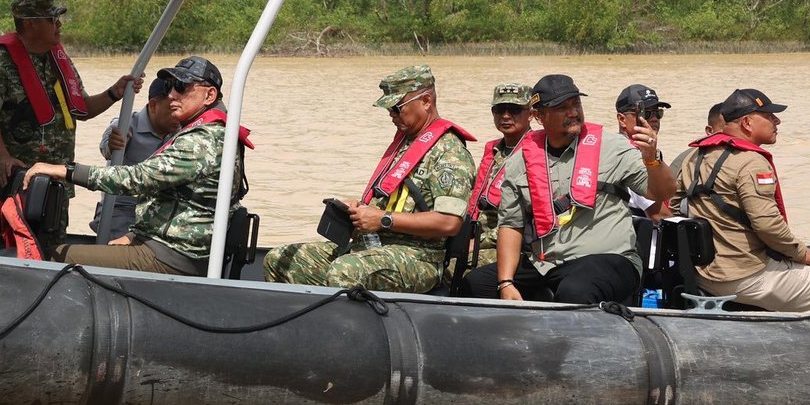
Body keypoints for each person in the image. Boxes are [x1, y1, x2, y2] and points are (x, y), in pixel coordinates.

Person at [459, 74, 675, 305]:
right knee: (476, 284)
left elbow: (662, 192)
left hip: (609, 259)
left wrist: (652, 159)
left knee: (575, 289)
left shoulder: (613, 148)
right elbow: (511, 224)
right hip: (547, 263)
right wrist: (506, 283)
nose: (573, 112)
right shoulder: (520, 160)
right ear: (538, 116)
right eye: (562, 107)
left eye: (576, 104)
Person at [22, 57, 250, 275]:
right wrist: (134, 236)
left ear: (209, 95)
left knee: (56, 257)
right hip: (169, 244)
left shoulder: (203, 140)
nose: (172, 94)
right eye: (171, 86)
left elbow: (138, 178)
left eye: (181, 86)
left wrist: (66, 170)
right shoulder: (208, 131)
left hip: (173, 256)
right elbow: (175, 199)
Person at [265, 65, 476, 293]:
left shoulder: (449, 152)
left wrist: (383, 220)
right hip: (372, 245)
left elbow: (449, 222)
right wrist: (360, 209)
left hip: (418, 256)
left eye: (397, 108)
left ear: (426, 101)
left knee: (345, 271)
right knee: (280, 261)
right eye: (389, 110)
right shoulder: (404, 144)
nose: (392, 116)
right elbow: (392, 200)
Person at [0, 0, 140, 250]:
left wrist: (113, 93)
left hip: (57, 182)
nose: (59, 25)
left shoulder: (58, 60)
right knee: (11, 249)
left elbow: (82, 109)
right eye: (52, 19)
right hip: (16, 182)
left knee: (50, 248)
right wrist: (2, 157)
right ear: (30, 24)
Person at [675, 89, 810, 315]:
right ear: (747, 122)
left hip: (703, 273)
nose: (777, 121)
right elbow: (768, 225)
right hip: (745, 275)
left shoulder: (694, 157)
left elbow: (674, 207)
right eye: (769, 116)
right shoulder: (751, 162)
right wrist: (802, 253)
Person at [91, 75, 180, 241]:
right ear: (153, 105)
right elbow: (106, 146)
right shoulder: (125, 125)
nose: (178, 116)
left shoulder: (183, 132)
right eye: (173, 110)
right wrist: (113, 144)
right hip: (123, 208)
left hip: (162, 209)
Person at [465, 82, 534, 268]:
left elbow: (528, 220)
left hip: (513, 243)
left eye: (514, 109)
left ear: (531, 113)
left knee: (456, 267)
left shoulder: (537, 155)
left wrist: (477, 242)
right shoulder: (494, 151)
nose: (505, 116)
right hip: (475, 234)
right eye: (499, 109)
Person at [614, 84, 672, 218]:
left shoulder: (645, 151)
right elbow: (659, 215)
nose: (654, 118)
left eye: (658, 113)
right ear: (622, 119)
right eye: (645, 113)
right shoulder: (630, 154)